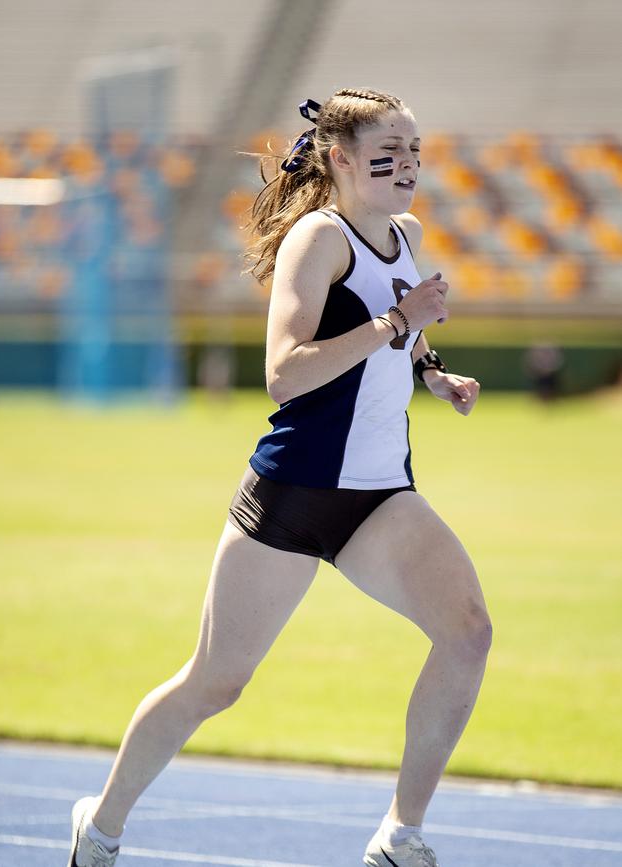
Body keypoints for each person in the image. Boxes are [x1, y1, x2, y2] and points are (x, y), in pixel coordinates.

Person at [67, 87, 491, 867]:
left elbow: (396, 335)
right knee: (216, 682)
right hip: (293, 494)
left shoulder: (410, 233)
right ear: (340, 159)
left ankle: (400, 834)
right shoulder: (316, 240)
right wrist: (400, 324)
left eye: (415, 155)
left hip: (378, 497)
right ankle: (101, 823)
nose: (407, 171)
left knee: (467, 631)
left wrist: (431, 370)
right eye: (387, 156)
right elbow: (286, 375)